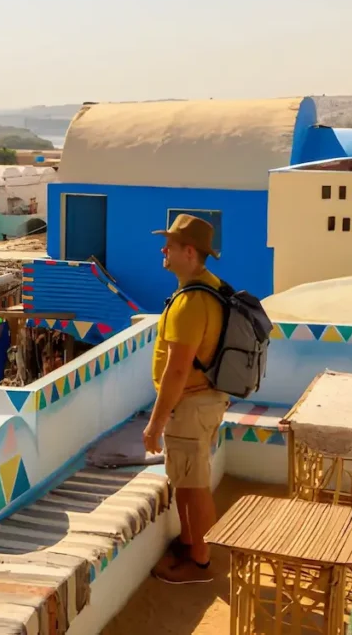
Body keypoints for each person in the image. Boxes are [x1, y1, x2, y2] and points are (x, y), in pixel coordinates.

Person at [142, 213, 230, 585]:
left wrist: (155, 423)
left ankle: (200, 562)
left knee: (194, 486)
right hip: (205, 400)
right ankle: (191, 541)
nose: (164, 249)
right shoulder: (211, 287)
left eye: (171, 245)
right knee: (187, 480)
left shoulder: (192, 302)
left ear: (189, 252)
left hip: (191, 403)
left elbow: (177, 370)